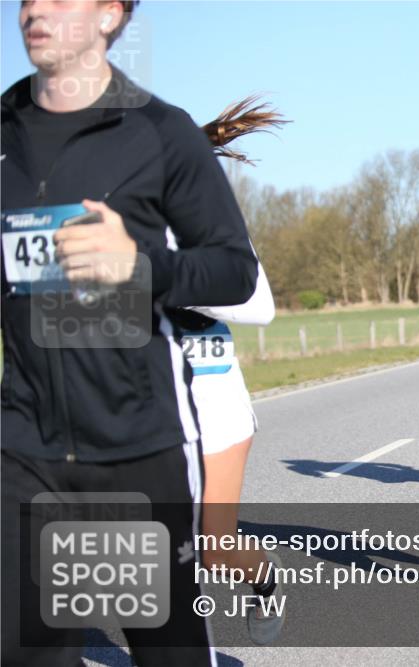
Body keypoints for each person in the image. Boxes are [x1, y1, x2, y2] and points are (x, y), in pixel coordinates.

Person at [2, 2, 257, 664]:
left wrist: (138, 268)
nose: (35, 8)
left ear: (112, 13)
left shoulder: (161, 132)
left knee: (169, 643)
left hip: (134, 445)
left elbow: (236, 271)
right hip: (23, 447)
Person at [189, 98, 286, 645]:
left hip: (214, 405)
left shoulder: (204, 222)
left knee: (213, 547)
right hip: (140, 406)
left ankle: (265, 579)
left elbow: (261, 306)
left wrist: (163, 281)